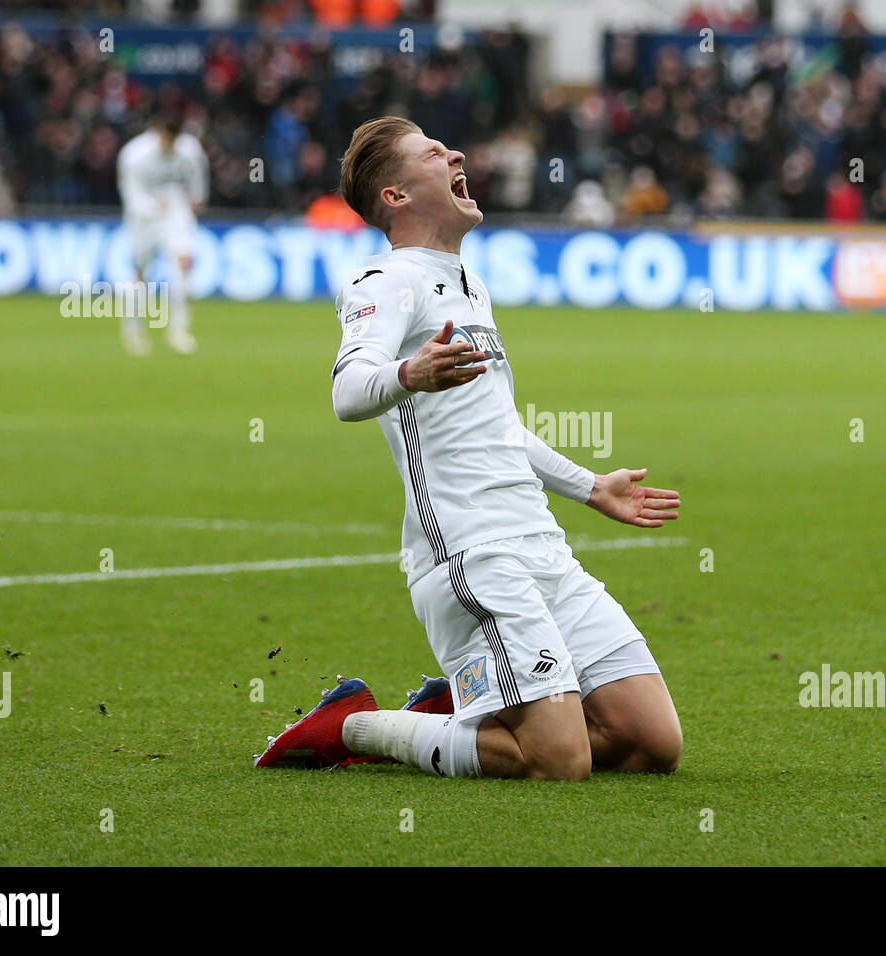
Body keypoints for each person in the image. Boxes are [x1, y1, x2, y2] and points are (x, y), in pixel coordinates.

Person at [254, 116, 683, 780]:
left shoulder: (467, 285)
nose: (454, 153)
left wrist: (589, 486)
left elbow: (498, 426)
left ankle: (466, 707)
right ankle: (357, 725)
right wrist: (407, 374)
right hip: (469, 552)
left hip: (538, 541)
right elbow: (348, 390)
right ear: (394, 196)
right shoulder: (384, 281)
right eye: (431, 152)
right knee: (560, 761)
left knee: (650, 743)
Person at [116, 114, 208, 355]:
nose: (171, 146)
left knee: (184, 265)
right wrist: (153, 206)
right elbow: (130, 194)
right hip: (143, 218)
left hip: (176, 212)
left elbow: (197, 177)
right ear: (158, 135)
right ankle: (134, 331)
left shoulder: (189, 149)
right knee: (139, 274)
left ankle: (179, 331)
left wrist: (197, 195)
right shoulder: (134, 155)